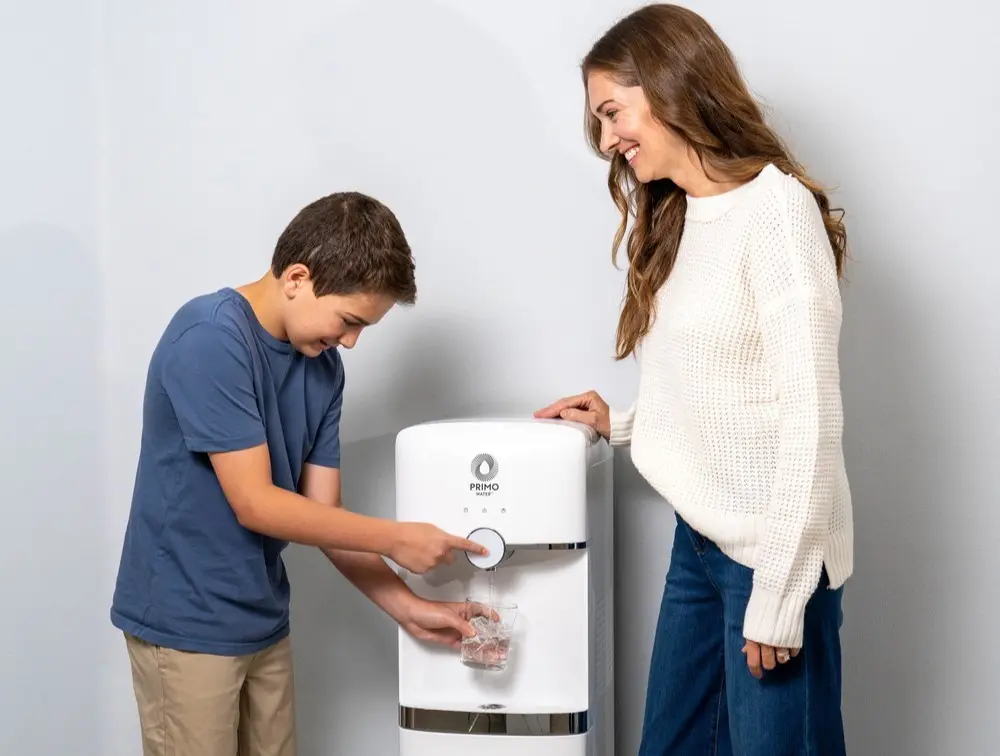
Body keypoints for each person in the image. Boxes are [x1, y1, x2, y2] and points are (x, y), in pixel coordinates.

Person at [536, 5, 852, 755]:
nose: (608, 139)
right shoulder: (680, 216)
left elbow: (810, 414)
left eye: (613, 112)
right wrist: (620, 425)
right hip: (701, 544)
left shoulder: (776, 214)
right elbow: (721, 386)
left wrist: (778, 593)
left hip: (773, 558)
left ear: (671, 87)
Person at [110, 191, 489, 756]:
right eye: (349, 320)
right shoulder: (211, 338)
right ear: (296, 278)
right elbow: (256, 504)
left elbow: (322, 517)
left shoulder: (323, 369)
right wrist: (398, 536)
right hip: (184, 624)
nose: (353, 341)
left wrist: (411, 608)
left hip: (260, 618)